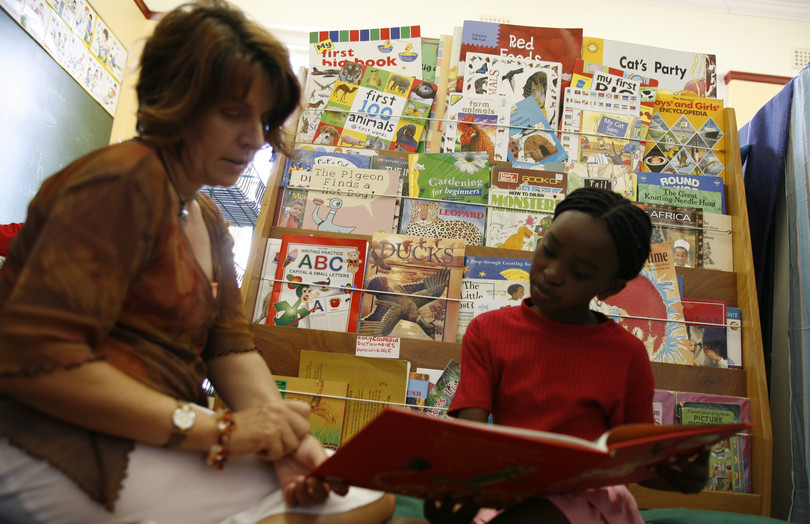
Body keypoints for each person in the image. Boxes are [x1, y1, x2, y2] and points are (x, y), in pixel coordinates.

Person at [0, 2, 395, 522]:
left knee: (367, 498)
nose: (255, 138)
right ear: (176, 102)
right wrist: (221, 431)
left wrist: (278, 435)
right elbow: (35, 361)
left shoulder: (204, 212)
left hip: (153, 430)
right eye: (233, 113)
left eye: (263, 118)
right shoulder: (120, 183)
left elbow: (229, 347)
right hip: (53, 439)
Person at [426, 187, 709, 523]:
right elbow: (471, 439)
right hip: (511, 493)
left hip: (589, 498)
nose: (552, 273)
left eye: (580, 273)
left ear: (610, 288)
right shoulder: (487, 331)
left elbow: (634, 464)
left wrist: (683, 479)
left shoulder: (627, 354)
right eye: (549, 250)